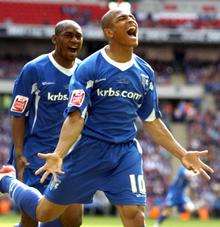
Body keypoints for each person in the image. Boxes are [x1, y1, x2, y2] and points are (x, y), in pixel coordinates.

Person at [0, 9, 214, 227]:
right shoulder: (88, 68)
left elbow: (151, 120)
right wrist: (58, 153)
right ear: (109, 32)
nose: (131, 21)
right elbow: (76, 118)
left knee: (135, 217)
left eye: (132, 18)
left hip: (124, 152)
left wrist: (182, 154)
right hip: (88, 151)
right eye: (123, 19)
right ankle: (7, 180)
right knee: (44, 213)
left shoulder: (145, 72)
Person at [8, 20, 83, 227]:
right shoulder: (34, 69)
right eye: (68, 35)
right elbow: (18, 113)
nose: (74, 40)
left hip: (70, 155)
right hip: (38, 155)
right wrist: (19, 154)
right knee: (34, 217)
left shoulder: (85, 71)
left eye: (78, 36)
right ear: (54, 39)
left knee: (73, 220)